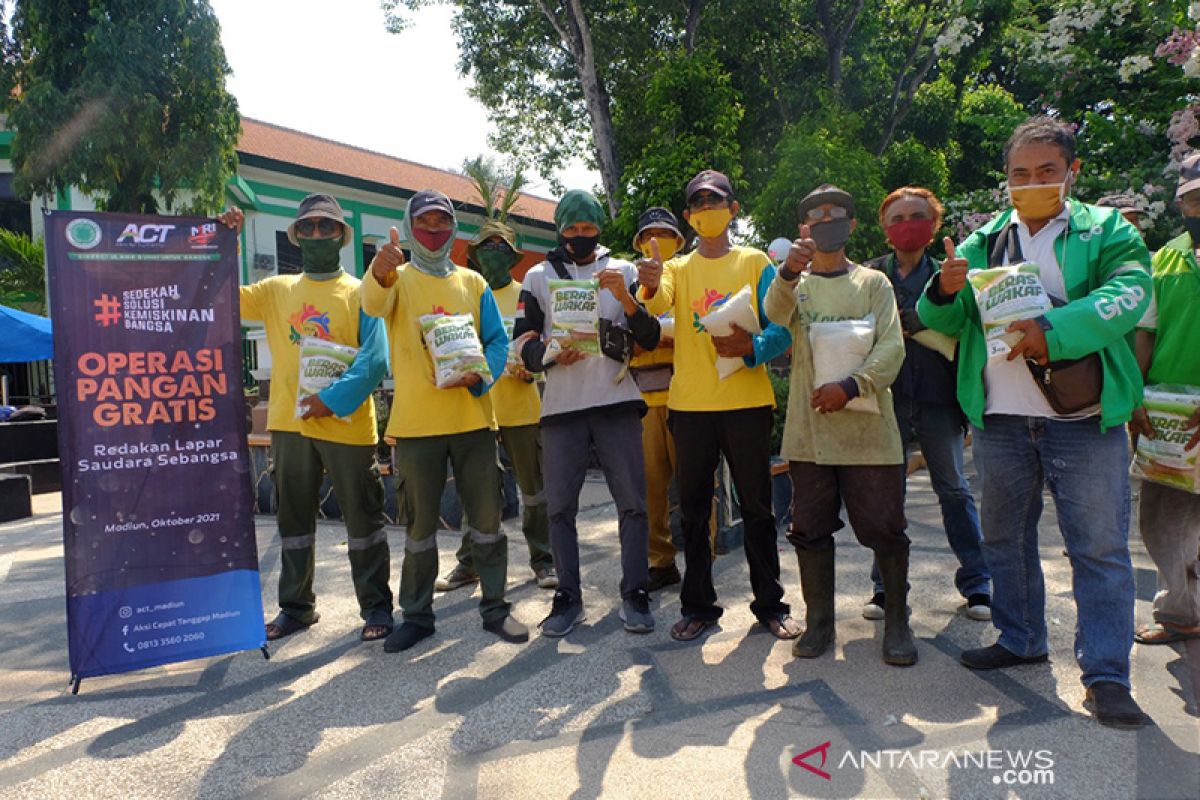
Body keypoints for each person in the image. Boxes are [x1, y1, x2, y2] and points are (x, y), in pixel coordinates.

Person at [917, 116, 1154, 729]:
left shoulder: (1106, 231)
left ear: (1071, 173)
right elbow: (941, 319)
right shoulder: (985, 240)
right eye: (1020, 174)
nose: (1032, 183)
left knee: (1098, 549)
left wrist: (1053, 329)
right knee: (1003, 538)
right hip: (1000, 417)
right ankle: (1020, 637)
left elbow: (1129, 294)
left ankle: (1106, 675)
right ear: (1006, 179)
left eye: (1046, 172)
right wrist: (943, 290)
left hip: (1086, 417)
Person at [219, 196, 394, 643]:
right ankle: (296, 608)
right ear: (297, 236)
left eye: (327, 227)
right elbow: (224, 301)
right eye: (309, 228)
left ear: (341, 235)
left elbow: (375, 360)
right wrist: (226, 243)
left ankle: (376, 607)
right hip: (289, 424)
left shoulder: (360, 292)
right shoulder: (276, 291)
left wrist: (330, 400)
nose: (317, 234)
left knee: (364, 519)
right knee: (293, 522)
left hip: (348, 424)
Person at [362, 189, 528, 652]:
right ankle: (416, 615)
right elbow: (372, 305)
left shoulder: (473, 284)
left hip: (474, 421)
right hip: (416, 428)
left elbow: (496, 341)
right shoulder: (397, 279)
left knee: (488, 521)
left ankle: (495, 606)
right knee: (418, 529)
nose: (434, 231)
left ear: (454, 228)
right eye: (425, 222)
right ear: (410, 225)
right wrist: (378, 271)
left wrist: (479, 379)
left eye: (442, 222)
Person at [639, 169, 799, 642]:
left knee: (757, 509)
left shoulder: (754, 262)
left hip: (747, 402)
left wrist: (750, 350)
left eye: (716, 201)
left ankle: (770, 604)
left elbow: (782, 327)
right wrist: (648, 283)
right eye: (698, 203)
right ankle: (699, 606)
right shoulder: (676, 268)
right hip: (690, 408)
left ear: (733, 209)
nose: (707, 209)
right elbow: (657, 301)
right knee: (691, 510)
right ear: (689, 216)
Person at [765, 184, 916, 665]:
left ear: (852, 225)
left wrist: (851, 387)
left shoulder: (873, 284)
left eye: (837, 214)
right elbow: (773, 315)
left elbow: (892, 348)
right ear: (804, 228)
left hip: (869, 435)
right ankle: (819, 624)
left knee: (885, 529)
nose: (827, 221)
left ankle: (897, 622)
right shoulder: (796, 283)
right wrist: (789, 269)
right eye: (816, 215)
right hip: (810, 436)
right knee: (809, 530)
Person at [512, 190, 659, 637]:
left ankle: (635, 591)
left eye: (588, 228)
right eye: (572, 229)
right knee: (559, 508)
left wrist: (629, 299)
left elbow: (649, 337)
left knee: (633, 503)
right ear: (560, 230)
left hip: (615, 400)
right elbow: (523, 344)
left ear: (599, 228)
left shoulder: (625, 271)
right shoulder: (537, 277)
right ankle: (568, 597)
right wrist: (551, 353)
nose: (580, 236)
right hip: (561, 408)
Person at [863, 187, 991, 623]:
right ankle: (885, 588)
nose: (907, 224)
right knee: (887, 494)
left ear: (934, 225)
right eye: (897, 217)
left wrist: (922, 318)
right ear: (885, 230)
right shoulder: (871, 276)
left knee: (954, 490)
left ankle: (978, 584)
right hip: (885, 399)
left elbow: (969, 329)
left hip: (940, 398)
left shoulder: (950, 275)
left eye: (918, 215)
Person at [434, 219, 557, 593]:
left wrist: (534, 372)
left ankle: (544, 560)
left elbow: (551, 347)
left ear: (512, 257)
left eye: (501, 248)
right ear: (474, 256)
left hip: (522, 409)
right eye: (486, 248)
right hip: (479, 412)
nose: (493, 255)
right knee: (477, 495)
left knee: (534, 492)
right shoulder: (466, 295)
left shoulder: (527, 297)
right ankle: (468, 564)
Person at [1128, 152, 1200, 646]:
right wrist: (1135, 398)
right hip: (1171, 415)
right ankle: (1180, 612)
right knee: (1162, 519)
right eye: (1193, 199)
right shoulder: (1166, 258)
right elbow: (1146, 336)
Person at [627, 207, 717, 592]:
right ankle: (659, 560)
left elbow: (703, 327)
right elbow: (621, 335)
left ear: (678, 242)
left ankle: (704, 555)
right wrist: (657, 335)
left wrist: (660, 334)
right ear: (639, 241)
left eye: (665, 233)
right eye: (650, 233)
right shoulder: (627, 280)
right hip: (643, 397)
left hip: (688, 396)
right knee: (649, 487)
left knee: (697, 484)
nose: (657, 238)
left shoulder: (690, 274)